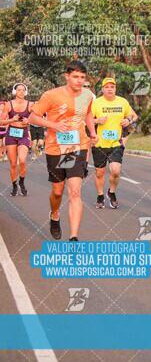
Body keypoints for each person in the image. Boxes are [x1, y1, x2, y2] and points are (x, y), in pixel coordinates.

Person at [29, 60, 97, 242]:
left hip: (77, 147)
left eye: (82, 77)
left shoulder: (88, 95)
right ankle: (54, 214)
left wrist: (92, 132)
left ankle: (73, 237)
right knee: (58, 192)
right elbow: (32, 117)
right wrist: (54, 125)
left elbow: (88, 114)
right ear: (67, 76)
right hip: (55, 147)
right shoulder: (51, 95)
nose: (79, 80)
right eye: (75, 76)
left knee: (75, 191)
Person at [91, 77, 138, 209]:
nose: (110, 89)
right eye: (107, 87)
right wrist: (97, 121)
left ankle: (111, 192)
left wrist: (128, 120)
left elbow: (134, 115)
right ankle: (100, 196)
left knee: (115, 171)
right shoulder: (96, 103)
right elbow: (87, 119)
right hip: (99, 144)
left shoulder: (122, 102)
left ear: (115, 89)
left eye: (112, 87)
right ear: (103, 89)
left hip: (116, 143)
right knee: (100, 173)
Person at [0, 84, 33, 196]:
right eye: (19, 90)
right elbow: (1, 121)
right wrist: (11, 120)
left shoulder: (30, 104)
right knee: (13, 164)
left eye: (23, 90)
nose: (21, 92)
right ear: (15, 91)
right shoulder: (8, 105)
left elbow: (36, 118)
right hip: (11, 134)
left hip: (23, 134)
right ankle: (14, 186)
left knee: (22, 160)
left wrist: (28, 121)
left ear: (26, 92)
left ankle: (22, 182)